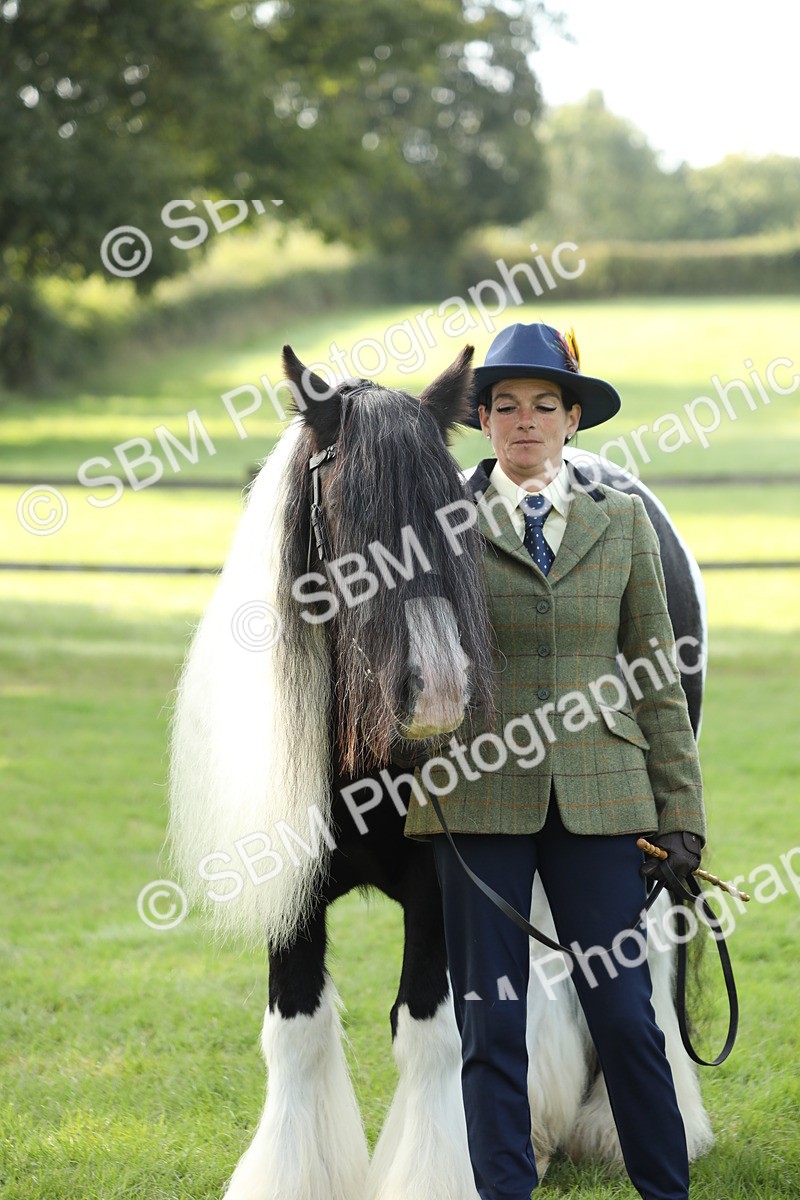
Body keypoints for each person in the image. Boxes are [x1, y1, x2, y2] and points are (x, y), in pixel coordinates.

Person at [403, 321, 706, 1200]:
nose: (524, 422)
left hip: (602, 801)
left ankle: (666, 1189)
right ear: (484, 422)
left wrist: (681, 814)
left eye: (543, 405)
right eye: (504, 407)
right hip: (478, 801)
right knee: (491, 1025)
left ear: (572, 419)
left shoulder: (625, 524)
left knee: (625, 1016)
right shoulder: (436, 529)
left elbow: (658, 680)